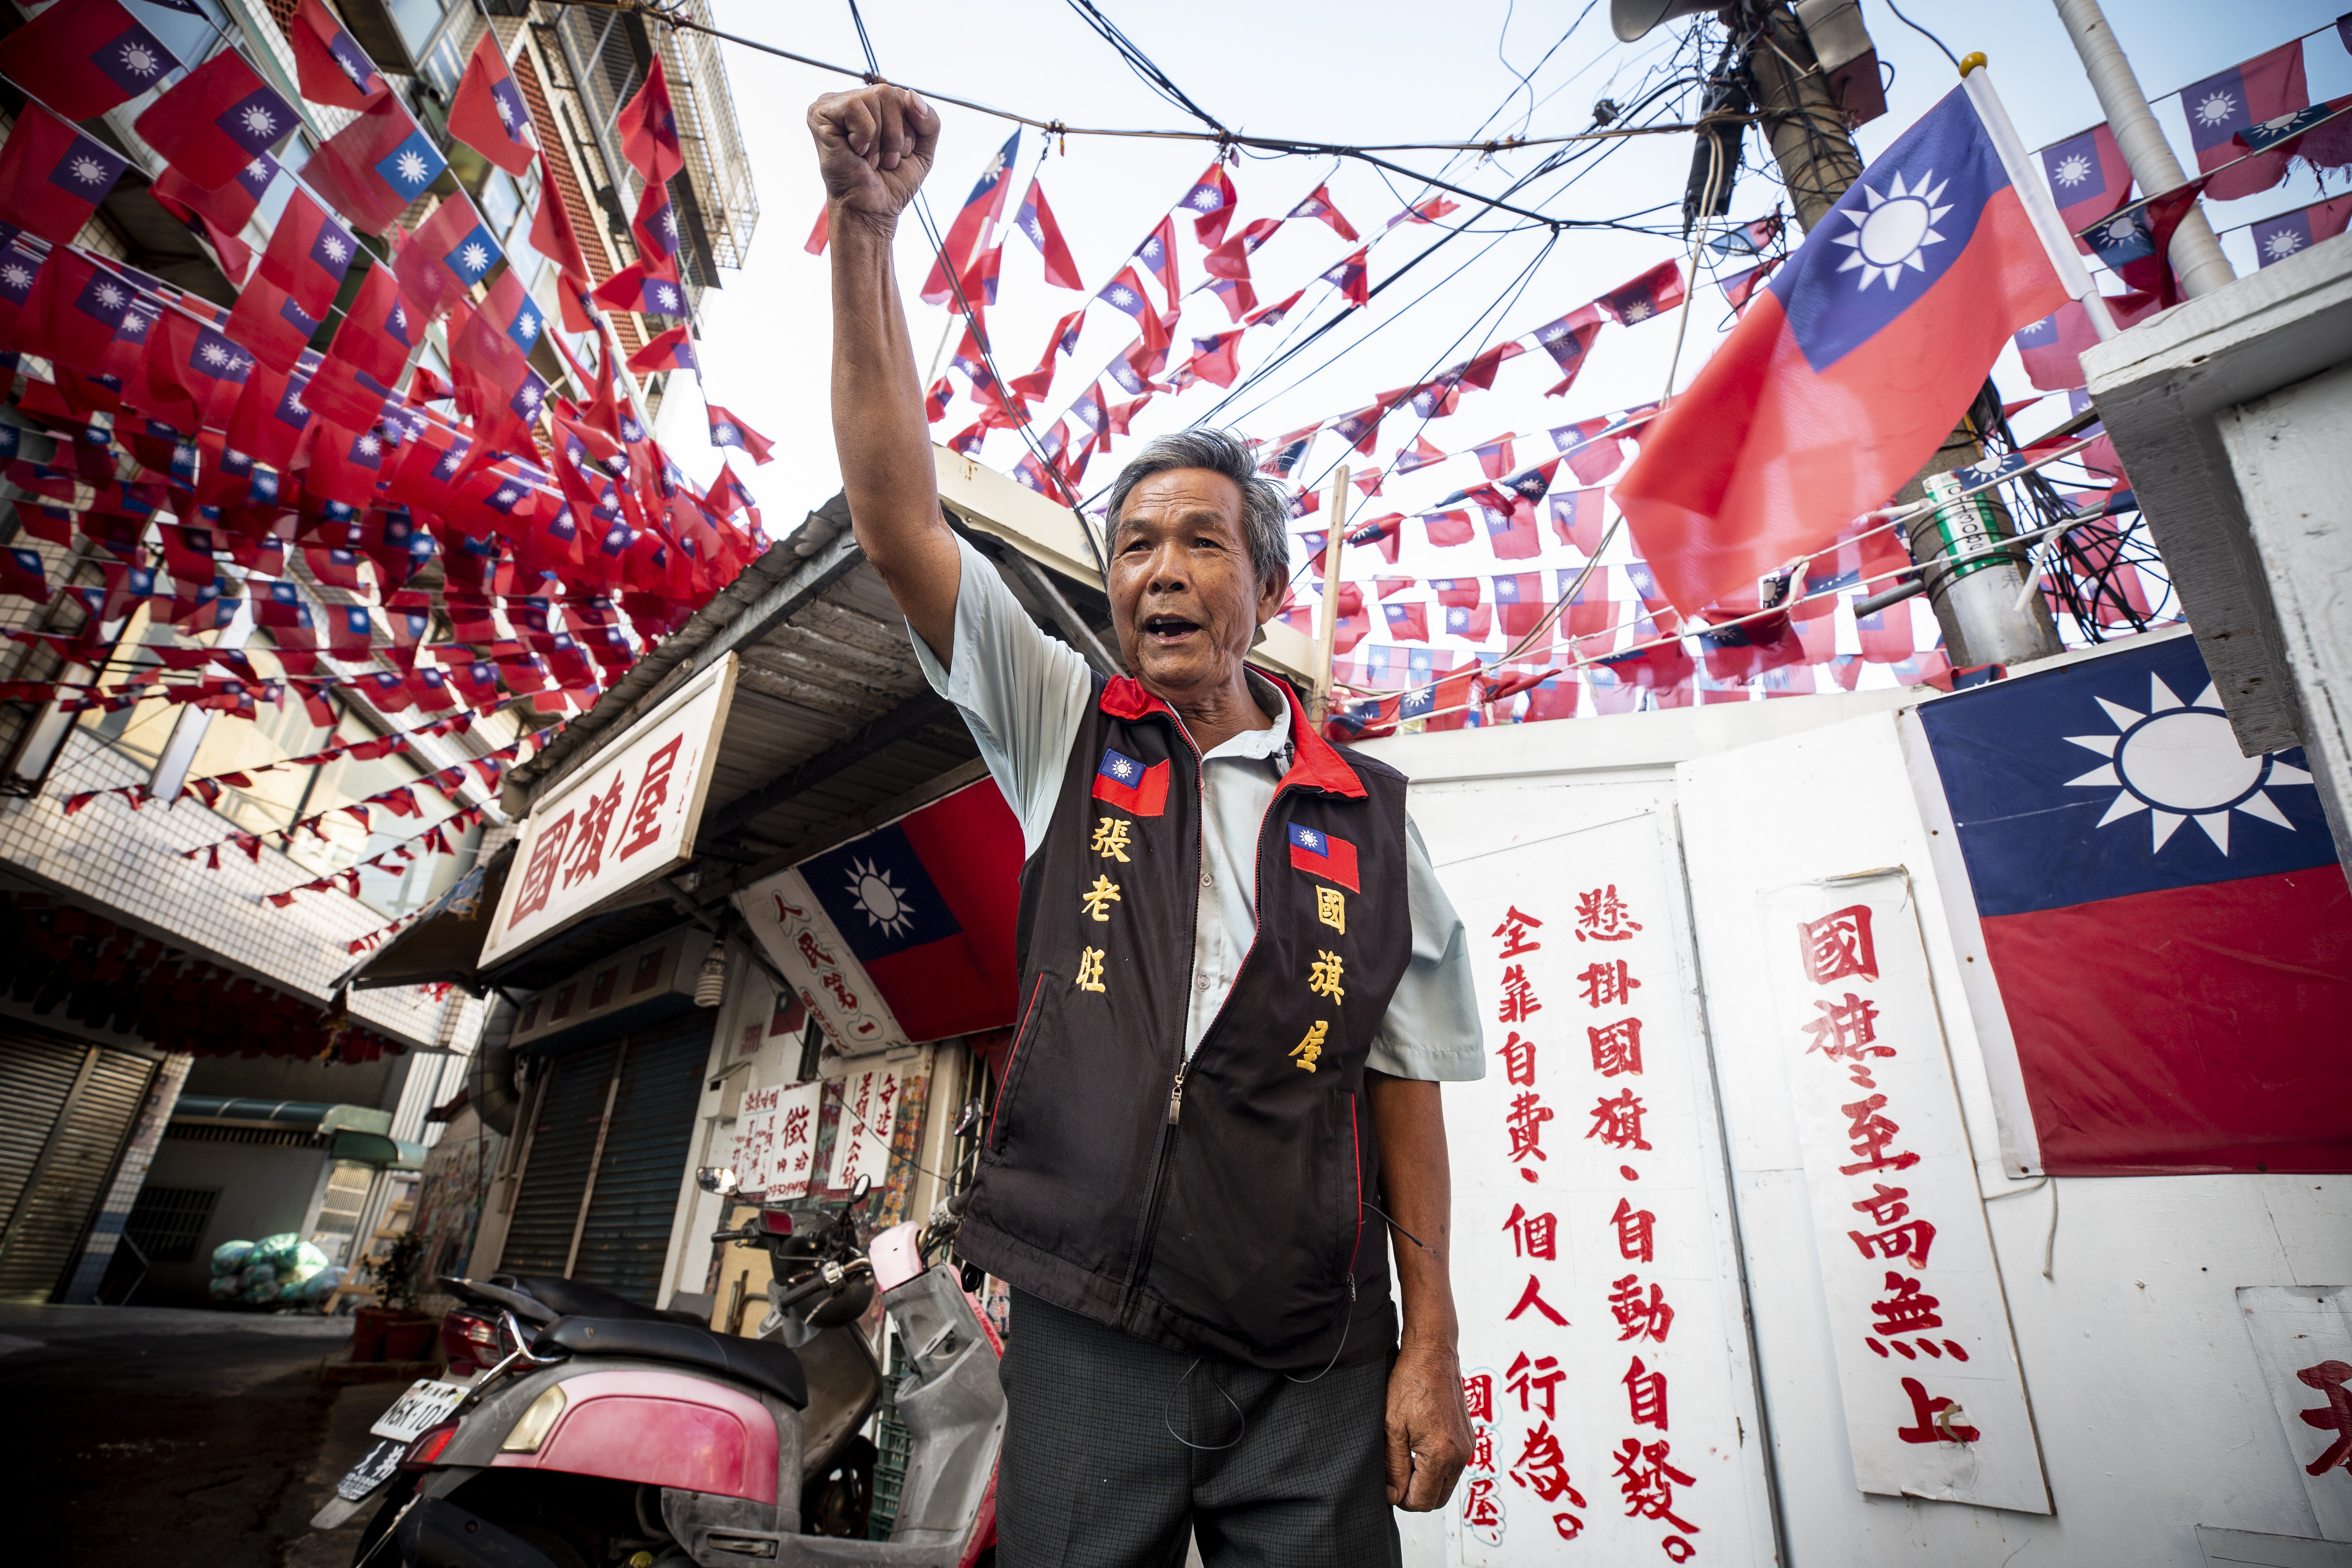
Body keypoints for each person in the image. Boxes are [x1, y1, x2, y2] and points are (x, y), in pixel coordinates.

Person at [811, 82, 1481, 1566]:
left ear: (1266, 592)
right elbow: (894, 517)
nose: (1162, 571)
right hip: (1090, 1324)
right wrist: (868, 233)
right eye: (1135, 545)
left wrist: (1427, 1340)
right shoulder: (1067, 729)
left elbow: (1408, 1084)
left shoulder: (1372, 820)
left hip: (1309, 1350)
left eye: (1202, 541)